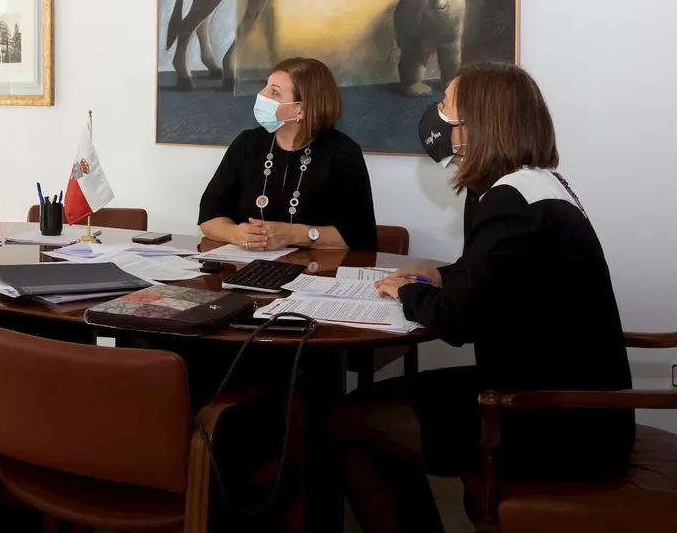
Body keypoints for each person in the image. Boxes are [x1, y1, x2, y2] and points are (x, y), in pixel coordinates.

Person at [330, 62, 633, 533]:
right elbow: (497, 277)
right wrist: (436, 273)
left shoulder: (510, 204)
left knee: (348, 420)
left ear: (479, 123)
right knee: (369, 404)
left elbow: (456, 322)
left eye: (447, 107)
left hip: (552, 419)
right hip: (555, 392)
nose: (438, 118)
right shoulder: (533, 186)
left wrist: (410, 290)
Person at [198, 57, 377, 251]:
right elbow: (209, 216)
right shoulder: (247, 143)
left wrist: (294, 234)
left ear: (302, 109)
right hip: (247, 270)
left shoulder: (343, 152)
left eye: (274, 92)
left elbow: (359, 236)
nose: (261, 95)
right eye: (265, 87)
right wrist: (237, 234)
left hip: (315, 273)